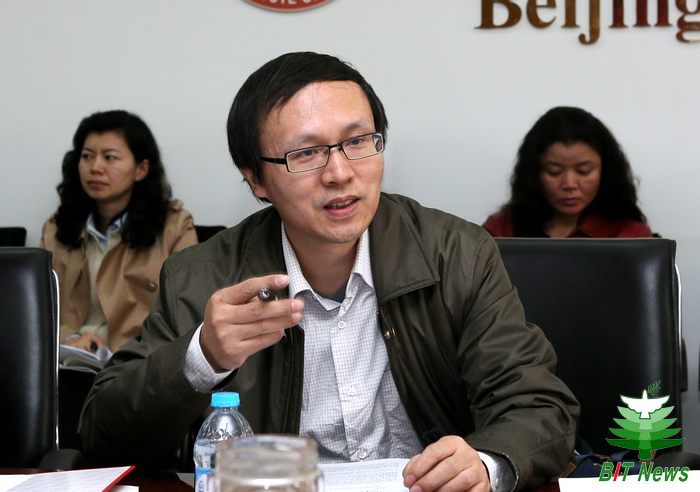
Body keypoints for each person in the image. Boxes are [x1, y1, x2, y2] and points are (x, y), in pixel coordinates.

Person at [80, 53, 579, 492]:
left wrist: (486, 465)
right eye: (306, 153)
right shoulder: (201, 277)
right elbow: (103, 438)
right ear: (255, 180)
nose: (340, 172)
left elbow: (538, 406)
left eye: (358, 141)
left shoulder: (457, 255)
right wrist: (201, 356)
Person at [41, 110, 197, 353]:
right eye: (87, 156)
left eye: (110, 157)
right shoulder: (57, 228)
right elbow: (38, 305)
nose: (96, 167)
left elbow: (188, 310)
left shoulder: (174, 227)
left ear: (141, 169)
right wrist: (68, 339)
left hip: (139, 360)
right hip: (68, 359)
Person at [483, 106, 653, 238]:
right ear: (534, 173)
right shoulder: (501, 230)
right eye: (554, 172)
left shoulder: (630, 235)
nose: (570, 184)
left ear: (605, 171)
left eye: (584, 171)